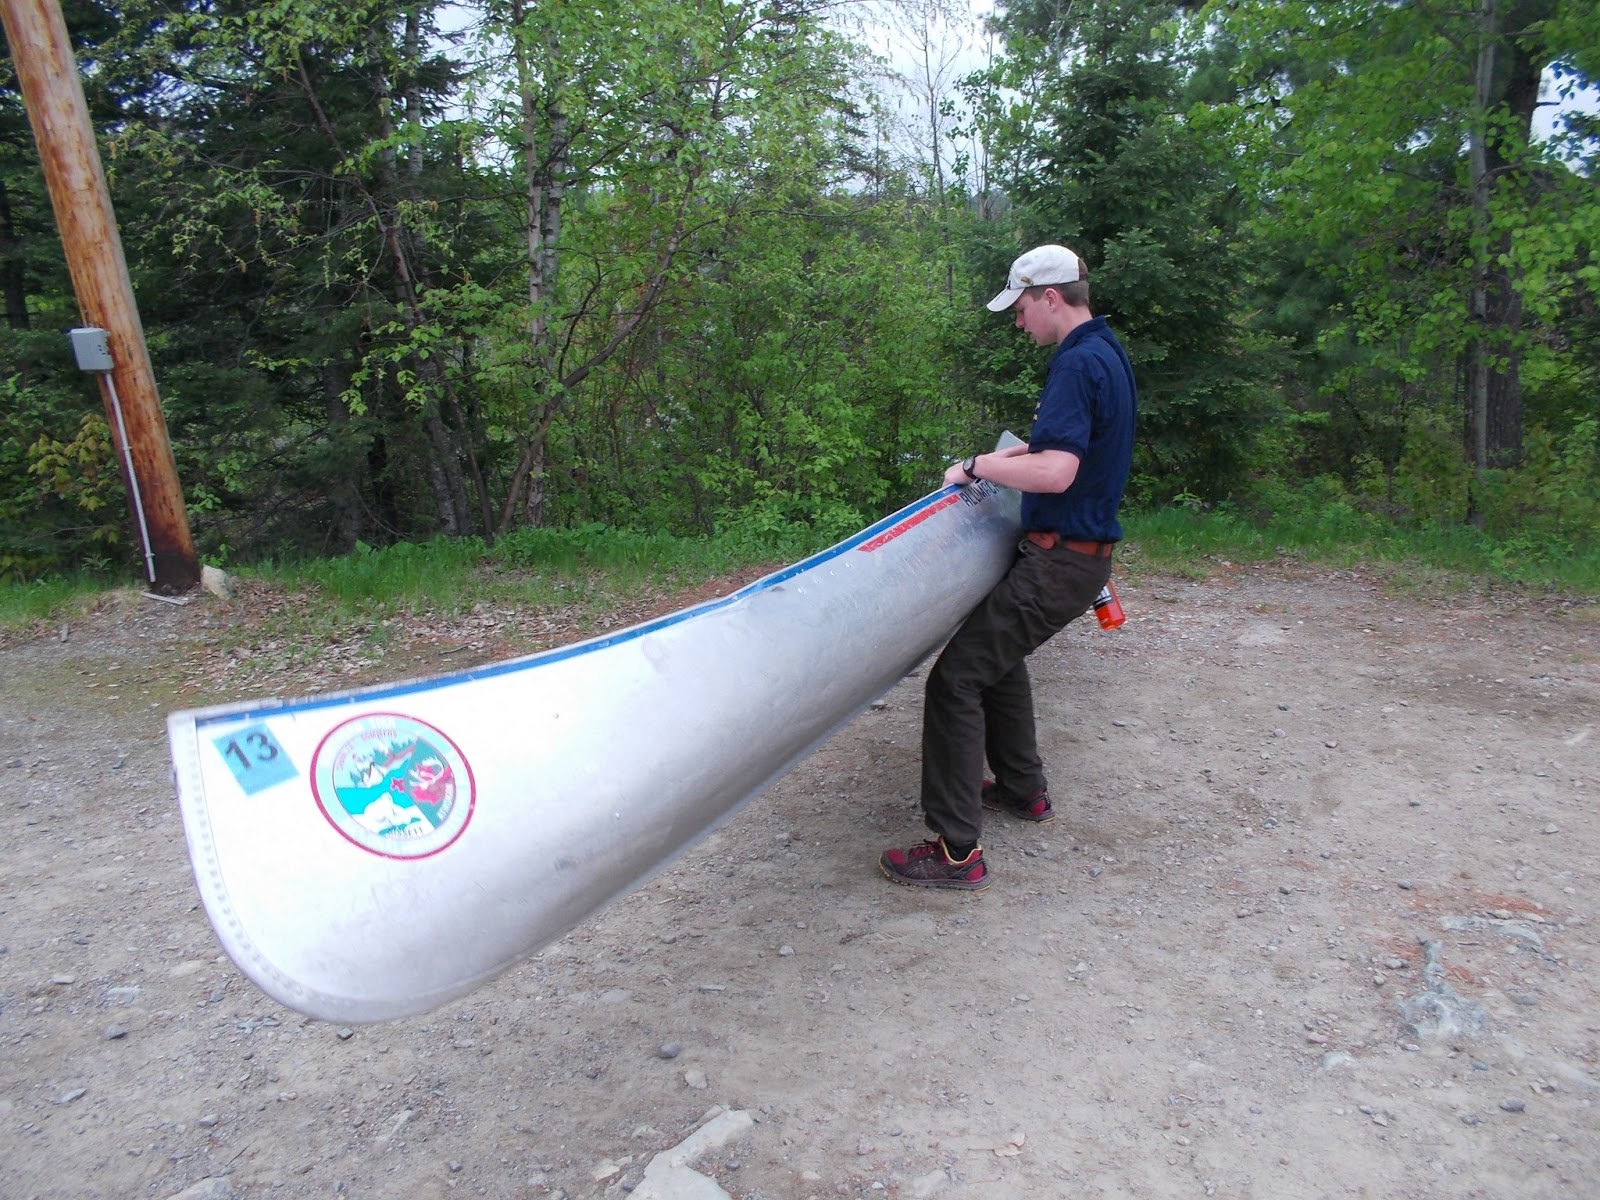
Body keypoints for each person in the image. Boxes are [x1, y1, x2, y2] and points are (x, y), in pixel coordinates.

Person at [880, 244, 1138, 891]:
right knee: (996, 661)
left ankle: (956, 851)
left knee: (955, 681)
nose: (1018, 322)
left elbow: (1057, 470)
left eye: (1021, 308)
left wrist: (978, 467)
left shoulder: (1077, 364)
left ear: (1051, 297)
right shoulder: (1104, 352)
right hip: (1074, 559)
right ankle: (1023, 789)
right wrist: (1011, 452)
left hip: (1060, 563)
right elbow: (1062, 446)